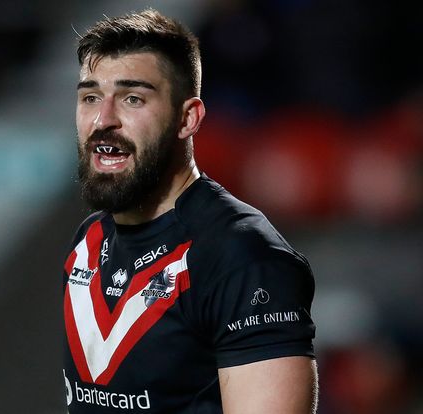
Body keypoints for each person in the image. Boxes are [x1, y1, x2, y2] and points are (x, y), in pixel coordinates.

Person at [62, 8, 318, 413]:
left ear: (188, 118)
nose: (103, 119)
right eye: (90, 97)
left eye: (132, 98)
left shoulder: (241, 257)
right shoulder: (88, 244)